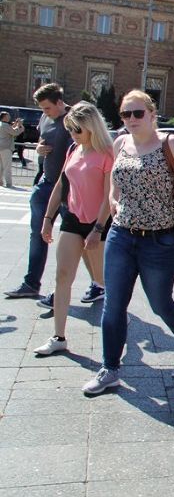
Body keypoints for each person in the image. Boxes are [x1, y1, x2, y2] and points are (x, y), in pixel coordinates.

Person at [82, 90, 174, 395]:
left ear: (152, 114)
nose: (132, 119)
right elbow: (115, 177)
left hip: (159, 240)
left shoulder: (170, 144)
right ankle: (110, 368)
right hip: (121, 235)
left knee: (160, 303)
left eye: (138, 113)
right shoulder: (121, 142)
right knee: (113, 304)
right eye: (126, 114)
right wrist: (112, 197)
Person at [34, 103, 113, 356]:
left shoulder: (107, 153)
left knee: (106, 280)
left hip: (99, 222)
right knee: (62, 277)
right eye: (70, 129)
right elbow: (61, 183)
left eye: (77, 129)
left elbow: (109, 196)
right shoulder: (73, 148)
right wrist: (47, 218)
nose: (73, 133)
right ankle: (58, 336)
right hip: (72, 219)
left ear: (91, 126)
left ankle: (117, 314)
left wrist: (98, 229)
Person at [6, 84, 72, 299]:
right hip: (46, 183)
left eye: (47, 109)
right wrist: (39, 148)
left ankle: (95, 285)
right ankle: (31, 283)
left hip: (69, 188)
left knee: (72, 239)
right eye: (42, 109)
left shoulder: (75, 119)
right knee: (38, 234)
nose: (44, 113)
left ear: (60, 103)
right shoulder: (45, 118)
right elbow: (43, 140)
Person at [0, 112, 25, 188]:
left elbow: (9, 130)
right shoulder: (5, 125)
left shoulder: (2, 124)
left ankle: (0, 181)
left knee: (1, 166)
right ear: (4, 117)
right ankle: (9, 183)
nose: (9, 117)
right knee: (7, 167)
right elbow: (15, 132)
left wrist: (15, 125)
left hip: (1, 147)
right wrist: (20, 125)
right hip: (5, 148)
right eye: (8, 116)